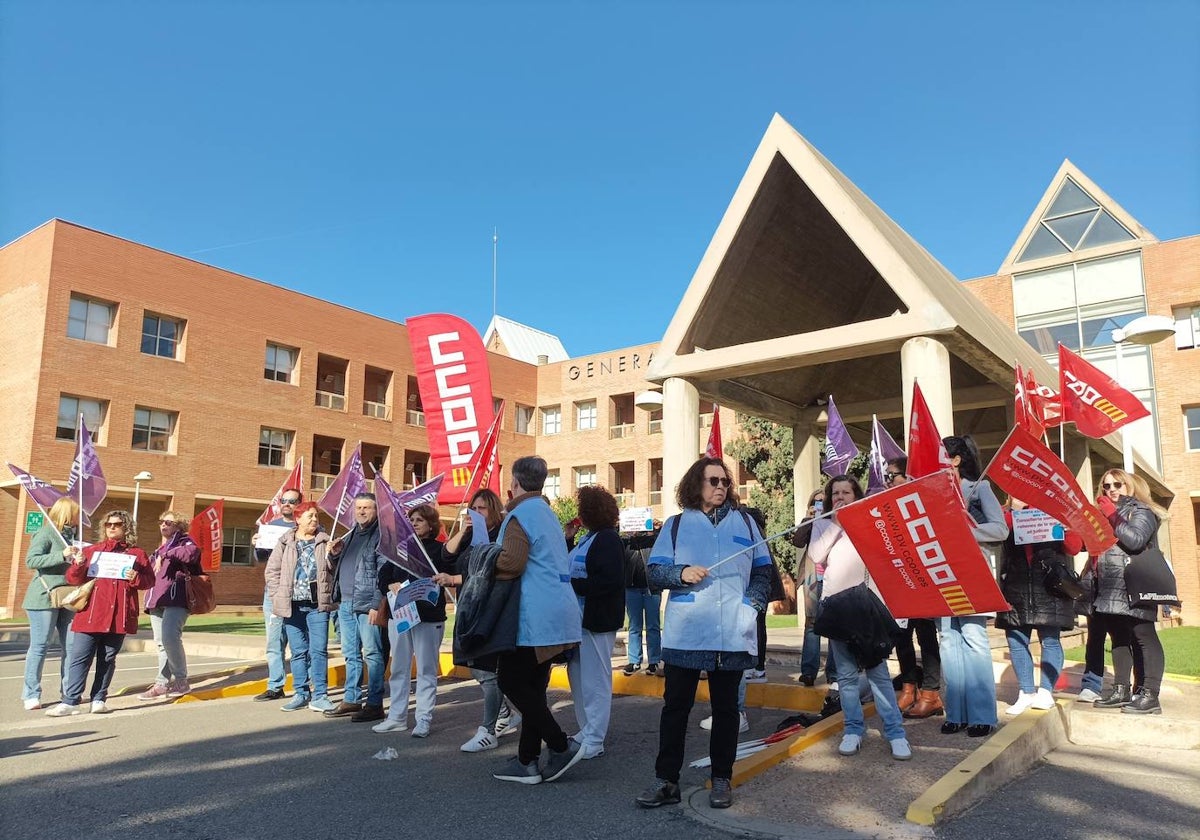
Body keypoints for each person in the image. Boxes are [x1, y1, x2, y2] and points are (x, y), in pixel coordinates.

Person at [636, 457, 772, 811]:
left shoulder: (746, 522)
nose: (721, 487)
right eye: (713, 480)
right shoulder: (677, 526)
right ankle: (667, 781)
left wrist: (752, 607)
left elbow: (763, 571)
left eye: (725, 482)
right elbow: (654, 572)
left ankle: (722, 779)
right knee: (675, 709)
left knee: (727, 710)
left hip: (732, 632)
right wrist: (680, 574)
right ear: (696, 483)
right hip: (687, 634)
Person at [490, 456, 585, 786]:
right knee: (532, 688)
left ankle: (560, 746)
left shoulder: (519, 514)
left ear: (515, 483)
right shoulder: (545, 512)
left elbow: (512, 562)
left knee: (511, 683)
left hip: (533, 615)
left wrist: (483, 558)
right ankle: (527, 761)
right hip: (558, 610)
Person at [807, 475, 912, 762]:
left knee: (878, 673)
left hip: (867, 608)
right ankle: (853, 729)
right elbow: (817, 554)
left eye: (846, 492)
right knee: (846, 676)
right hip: (837, 608)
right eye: (836, 492)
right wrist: (837, 524)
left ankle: (895, 732)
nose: (840, 496)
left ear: (857, 495)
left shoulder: (869, 520)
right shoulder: (823, 523)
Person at [47, 510, 153, 717]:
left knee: (107, 659)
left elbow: (150, 581)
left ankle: (98, 699)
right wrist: (78, 564)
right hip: (90, 613)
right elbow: (73, 580)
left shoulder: (137, 554)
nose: (112, 527)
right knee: (79, 657)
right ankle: (70, 701)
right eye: (108, 524)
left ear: (126, 527)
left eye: (117, 524)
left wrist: (136, 577)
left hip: (118, 615)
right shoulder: (92, 551)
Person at [437, 489, 519, 751]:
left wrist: (452, 580)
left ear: (493, 509)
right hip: (468, 607)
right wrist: (463, 529)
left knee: (486, 669)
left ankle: (488, 728)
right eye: (474, 508)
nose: (477, 512)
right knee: (475, 665)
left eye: (482, 508)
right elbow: (447, 558)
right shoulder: (472, 535)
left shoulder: (500, 535)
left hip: (489, 608)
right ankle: (508, 712)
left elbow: (488, 572)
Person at [939, 436, 1009, 738]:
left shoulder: (978, 488)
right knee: (947, 640)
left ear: (956, 459)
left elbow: (1001, 529)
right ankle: (955, 713)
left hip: (970, 571)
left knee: (973, 638)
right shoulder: (933, 492)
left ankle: (982, 716)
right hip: (940, 571)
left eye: (941, 455)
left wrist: (968, 530)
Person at [1082, 469, 1168, 714]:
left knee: (1144, 635)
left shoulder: (1141, 511)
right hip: (1110, 585)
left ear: (1129, 486)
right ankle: (1121, 689)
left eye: (1117, 484)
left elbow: (1135, 540)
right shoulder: (1104, 515)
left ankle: (1150, 695)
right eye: (1106, 485)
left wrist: (1111, 515)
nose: (1111, 490)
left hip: (1135, 582)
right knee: (1118, 637)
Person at [996, 498, 1082, 714]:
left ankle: (1045, 691)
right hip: (1017, 586)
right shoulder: (1005, 514)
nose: (1021, 496)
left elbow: (1074, 547)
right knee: (1016, 640)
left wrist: (1066, 527)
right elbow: (998, 535)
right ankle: (1025, 692)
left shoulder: (1054, 510)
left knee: (1050, 640)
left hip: (1048, 587)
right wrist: (1015, 512)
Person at [374, 503, 454, 736]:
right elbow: (384, 575)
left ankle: (424, 718)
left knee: (427, 669)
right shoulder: (401, 549)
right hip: (401, 615)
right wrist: (391, 584)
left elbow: (449, 573)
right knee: (399, 667)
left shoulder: (440, 550)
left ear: (431, 524)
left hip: (428, 617)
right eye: (411, 520)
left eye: (419, 520)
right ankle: (397, 716)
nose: (414, 524)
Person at [565, 485, 626, 759]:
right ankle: (586, 728)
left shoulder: (608, 540)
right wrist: (568, 540)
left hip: (597, 619)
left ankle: (595, 737)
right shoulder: (587, 538)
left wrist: (573, 586)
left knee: (595, 680)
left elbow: (609, 581)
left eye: (582, 509)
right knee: (577, 676)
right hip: (579, 620)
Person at [885, 458, 943, 720]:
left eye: (892, 476)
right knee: (901, 636)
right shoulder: (886, 503)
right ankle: (909, 688)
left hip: (924, 579)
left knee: (927, 637)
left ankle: (931, 693)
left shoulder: (925, 501)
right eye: (886, 476)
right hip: (899, 580)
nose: (888, 481)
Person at [265, 501, 335, 712]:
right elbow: (272, 571)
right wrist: (278, 594)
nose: (314, 519)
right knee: (298, 652)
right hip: (292, 605)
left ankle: (320, 694)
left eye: (316, 516)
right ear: (298, 519)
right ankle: (301, 693)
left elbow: (333, 570)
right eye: (309, 516)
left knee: (318, 650)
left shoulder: (325, 541)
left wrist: (333, 554)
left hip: (317, 605)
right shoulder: (285, 542)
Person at [326, 492, 389, 722]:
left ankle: (374, 704)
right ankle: (352, 699)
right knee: (350, 653)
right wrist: (334, 556)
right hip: (346, 602)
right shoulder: (351, 534)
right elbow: (341, 566)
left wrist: (376, 604)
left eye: (367, 508)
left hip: (367, 604)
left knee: (372, 653)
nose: (361, 511)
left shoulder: (381, 536)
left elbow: (383, 573)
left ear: (376, 510)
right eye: (358, 508)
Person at [21, 497, 80, 711]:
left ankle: (69, 692)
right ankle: (31, 693)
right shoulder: (46, 533)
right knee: (40, 646)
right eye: (76, 512)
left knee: (72, 646)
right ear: (67, 513)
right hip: (43, 596)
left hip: (69, 596)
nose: (79, 516)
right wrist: (61, 554)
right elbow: (32, 560)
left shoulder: (75, 537)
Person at [137, 511, 203, 700]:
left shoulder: (186, 542)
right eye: (161, 521)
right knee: (161, 643)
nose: (163, 525)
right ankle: (161, 684)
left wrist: (166, 553)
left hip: (177, 598)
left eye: (168, 522)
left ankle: (181, 681)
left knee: (170, 638)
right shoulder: (158, 550)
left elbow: (191, 555)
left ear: (179, 526)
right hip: (156, 599)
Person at [252, 487, 301, 702]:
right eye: (284, 500)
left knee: (300, 641)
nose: (287, 504)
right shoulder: (269, 526)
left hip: (299, 591)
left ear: (299, 504)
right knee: (274, 641)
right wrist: (256, 544)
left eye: (292, 501)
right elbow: (261, 559)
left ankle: (304, 685)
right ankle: (275, 685)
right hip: (273, 592)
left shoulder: (307, 527)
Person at [792, 489, 834, 688]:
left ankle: (833, 673)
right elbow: (798, 541)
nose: (820, 505)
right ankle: (808, 672)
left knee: (835, 627)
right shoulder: (810, 521)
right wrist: (807, 520)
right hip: (812, 578)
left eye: (823, 502)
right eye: (816, 502)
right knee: (812, 625)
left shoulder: (836, 520)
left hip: (834, 578)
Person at [623, 528, 662, 677]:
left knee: (653, 626)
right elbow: (615, 543)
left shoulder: (653, 541)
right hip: (632, 588)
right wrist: (620, 527)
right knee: (634, 626)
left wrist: (657, 529)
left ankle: (654, 661)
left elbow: (664, 540)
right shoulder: (626, 542)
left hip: (651, 588)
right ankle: (634, 661)